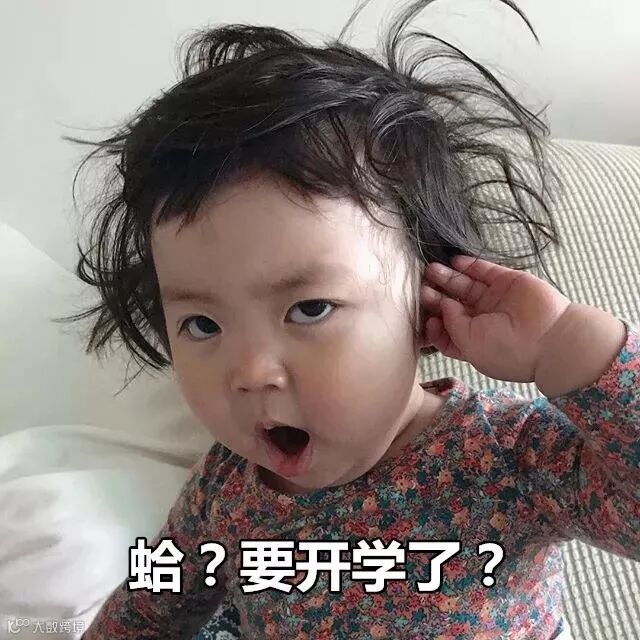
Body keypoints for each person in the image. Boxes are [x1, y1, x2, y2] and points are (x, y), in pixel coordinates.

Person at [62, 0, 639, 637]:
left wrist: (570, 347)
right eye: (202, 324)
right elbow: (149, 607)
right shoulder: (225, 489)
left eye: (309, 309)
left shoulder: (504, 456)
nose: (250, 372)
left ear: (425, 301)